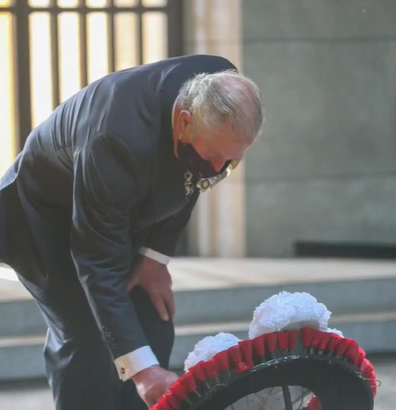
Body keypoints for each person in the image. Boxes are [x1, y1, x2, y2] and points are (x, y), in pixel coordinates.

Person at [0, 54, 264, 410]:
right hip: (43, 216)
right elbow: (98, 263)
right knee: (86, 334)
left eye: (230, 162)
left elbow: (190, 181)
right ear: (184, 122)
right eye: (214, 156)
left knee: (153, 318)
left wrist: (155, 256)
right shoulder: (114, 138)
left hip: (117, 208)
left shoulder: (221, 85)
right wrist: (142, 372)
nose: (217, 170)